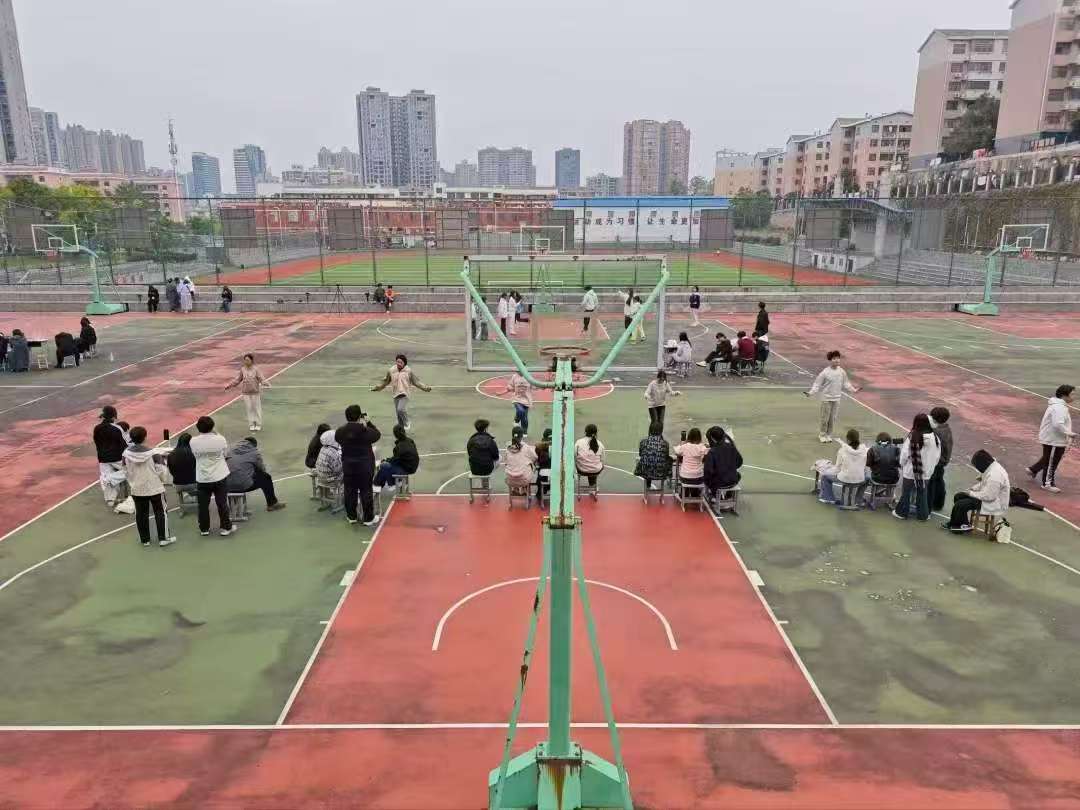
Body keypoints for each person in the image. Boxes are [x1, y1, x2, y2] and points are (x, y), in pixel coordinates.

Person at [123, 426, 176, 548]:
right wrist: (162, 481)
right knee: (160, 512)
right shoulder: (154, 453)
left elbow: (125, 471)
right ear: (145, 437)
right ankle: (163, 538)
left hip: (137, 489)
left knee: (141, 514)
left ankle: (145, 540)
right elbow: (162, 470)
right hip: (155, 488)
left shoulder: (125, 454)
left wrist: (133, 482)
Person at [336, 405, 382, 526]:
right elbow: (377, 434)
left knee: (349, 491)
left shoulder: (340, 431)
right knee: (366, 491)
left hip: (348, 466)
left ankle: (351, 516)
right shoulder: (365, 430)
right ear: (359, 416)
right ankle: (368, 519)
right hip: (364, 466)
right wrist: (368, 422)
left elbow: (338, 439)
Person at [945, 450, 1011, 534]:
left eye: (977, 467)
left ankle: (963, 525)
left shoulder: (995, 475)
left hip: (994, 502)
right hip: (988, 496)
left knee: (960, 504)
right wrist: (972, 489)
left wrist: (971, 493)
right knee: (959, 496)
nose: (978, 469)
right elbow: (984, 483)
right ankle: (956, 523)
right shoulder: (991, 467)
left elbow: (989, 497)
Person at [1027, 384, 1076, 493]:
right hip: (1054, 439)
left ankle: (1033, 469)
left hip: (1053, 438)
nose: (1074, 397)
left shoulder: (1059, 406)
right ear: (1064, 395)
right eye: (1072, 394)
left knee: (1049, 459)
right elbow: (1057, 424)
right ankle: (1047, 484)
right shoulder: (1059, 408)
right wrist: (1069, 433)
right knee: (1052, 461)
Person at [190, 415, 235, 536]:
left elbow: (195, 455)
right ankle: (226, 527)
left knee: (203, 505)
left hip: (202, 478)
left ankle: (204, 528)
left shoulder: (193, 441)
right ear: (212, 427)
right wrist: (216, 432)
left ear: (198, 428)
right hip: (219, 476)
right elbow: (225, 454)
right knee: (222, 503)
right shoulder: (220, 439)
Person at [893, 413, 941, 522]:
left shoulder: (913, 436)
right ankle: (923, 515)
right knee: (922, 493)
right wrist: (931, 466)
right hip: (927, 471)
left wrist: (902, 463)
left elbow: (905, 454)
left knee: (906, 492)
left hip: (911, 471)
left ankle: (901, 513)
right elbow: (937, 456)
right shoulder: (935, 438)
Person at [805, 350, 861, 443]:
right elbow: (817, 384)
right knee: (825, 418)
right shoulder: (825, 372)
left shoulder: (842, 372)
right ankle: (822, 435)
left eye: (838, 358)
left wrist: (854, 390)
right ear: (830, 360)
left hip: (836, 398)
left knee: (832, 419)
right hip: (826, 399)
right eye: (834, 358)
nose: (837, 360)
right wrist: (811, 393)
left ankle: (828, 435)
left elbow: (846, 383)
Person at [372, 354, 432, 431]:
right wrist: (377, 388)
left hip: (405, 394)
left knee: (400, 409)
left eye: (400, 362)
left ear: (404, 363)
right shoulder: (391, 370)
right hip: (395, 394)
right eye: (397, 362)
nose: (398, 364)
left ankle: (407, 422)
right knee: (399, 416)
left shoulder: (408, 371)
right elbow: (385, 381)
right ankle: (401, 432)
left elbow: (416, 382)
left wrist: (425, 388)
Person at [226, 436, 286, 511]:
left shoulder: (230, 451)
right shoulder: (255, 452)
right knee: (266, 478)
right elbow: (262, 469)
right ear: (254, 445)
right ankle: (272, 504)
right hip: (243, 485)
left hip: (227, 486)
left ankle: (234, 505)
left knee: (237, 473)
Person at [816, 429, 868, 504]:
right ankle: (858, 500)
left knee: (825, 477)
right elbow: (865, 465)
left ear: (848, 440)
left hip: (845, 478)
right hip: (860, 479)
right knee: (867, 479)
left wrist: (826, 470)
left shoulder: (842, 450)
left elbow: (837, 468)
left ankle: (828, 498)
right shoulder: (864, 450)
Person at [224, 353, 270, 432]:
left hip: (255, 392)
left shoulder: (256, 369)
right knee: (249, 408)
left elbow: (261, 378)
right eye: (245, 360)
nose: (246, 361)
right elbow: (238, 380)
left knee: (256, 408)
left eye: (248, 360)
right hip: (246, 393)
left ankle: (258, 424)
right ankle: (251, 424)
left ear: (251, 361)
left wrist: (265, 383)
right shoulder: (243, 369)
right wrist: (230, 385)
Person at [93, 405, 128, 505]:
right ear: (113, 417)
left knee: (107, 477)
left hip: (102, 458)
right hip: (117, 458)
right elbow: (124, 444)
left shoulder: (97, 428)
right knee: (130, 471)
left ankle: (110, 500)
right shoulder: (117, 428)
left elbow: (97, 442)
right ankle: (110, 479)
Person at [374, 424, 420, 490]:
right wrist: (388, 460)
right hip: (413, 467)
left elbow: (394, 460)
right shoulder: (410, 441)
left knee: (384, 466)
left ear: (395, 435)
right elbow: (398, 458)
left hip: (405, 469)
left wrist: (385, 460)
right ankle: (381, 484)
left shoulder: (399, 447)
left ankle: (380, 484)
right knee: (386, 467)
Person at [704, 426, 743, 500]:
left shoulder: (712, 452)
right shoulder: (731, 447)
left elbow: (708, 471)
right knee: (737, 475)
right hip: (733, 480)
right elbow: (739, 462)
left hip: (719, 482)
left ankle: (714, 495)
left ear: (712, 438)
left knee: (708, 478)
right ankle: (729, 495)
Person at [927, 406, 953, 511]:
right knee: (939, 481)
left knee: (931, 483)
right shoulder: (946, 428)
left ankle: (928, 505)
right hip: (943, 460)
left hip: (936, 460)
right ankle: (938, 504)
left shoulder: (936, 432)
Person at [635, 420, 673, 493]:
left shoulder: (643, 441)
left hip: (645, 471)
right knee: (669, 459)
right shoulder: (665, 443)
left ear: (650, 429)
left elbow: (640, 454)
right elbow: (666, 456)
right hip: (661, 473)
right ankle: (669, 477)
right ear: (661, 431)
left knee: (647, 459)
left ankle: (648, 481)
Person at [467, 418, 501, 486]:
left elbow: (469, 453)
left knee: (478, 460)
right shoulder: (490, 440)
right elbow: (496, 456)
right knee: (500, 457)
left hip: (474, 469)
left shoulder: (471, 440)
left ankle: (483, 481)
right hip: (487, 469)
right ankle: (485, 481)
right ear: (486, 429)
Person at [504, 426, 538, 492]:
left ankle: (516, 488)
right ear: (522, 436)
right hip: (524, 480)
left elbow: (506, 462)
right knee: (530, 465)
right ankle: (525, 489)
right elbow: (535, 458)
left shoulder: (507, 448)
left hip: (510, 479)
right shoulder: (526, 447)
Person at [166, 432, 198, 500]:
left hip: (177, 485)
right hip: (193, 484)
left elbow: (171, 471)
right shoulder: (193, 454)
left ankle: (185, 498)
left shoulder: (171, 455)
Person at [504, 370, 534, 436]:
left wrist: (543, 386)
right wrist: (505, 390)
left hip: (526, 399)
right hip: (517, 398)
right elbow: (510, 386)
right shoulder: (514, 376)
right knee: (521, 410)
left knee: (525, 417)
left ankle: (525, 432)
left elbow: (534, 385)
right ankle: (516, 420)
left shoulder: (528, 376)